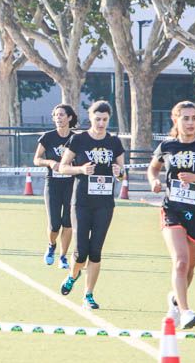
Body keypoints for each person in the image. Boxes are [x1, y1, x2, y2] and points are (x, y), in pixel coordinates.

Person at [147, 100, 195, 330]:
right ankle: (185, 312)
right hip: (172, 209)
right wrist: (154, 181)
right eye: (186, 118)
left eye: (194, 118)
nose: (190, 123)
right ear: (176, 119)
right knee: (180, 261)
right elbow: (153, 167)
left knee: (189, 268)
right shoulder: (167, 146)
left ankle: (174, 300)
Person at [57, 101, 125, 310]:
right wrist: (80, 170)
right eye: (98, 119)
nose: (101, 123)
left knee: (96, 251)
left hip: (104, 203)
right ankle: (73, 274)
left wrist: (119, 173)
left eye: (105, 119)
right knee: (81, 251)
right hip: (82, 202)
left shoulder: (114, 143)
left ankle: (88, 295)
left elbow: (123, 173)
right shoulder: (78, 140)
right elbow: (62, 167)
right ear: (90, 117)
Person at [32, 104, 78, 269]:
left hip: (72, 184)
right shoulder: (48, 137)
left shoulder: (76, 138)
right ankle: (51, 246)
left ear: (69, 118)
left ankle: (63, 256)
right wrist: (50, 162)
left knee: (68, 223)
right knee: (54, 224)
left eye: (61, 115)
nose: (58, 118)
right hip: (52, 183)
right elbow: (36, 159)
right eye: (56, 115)